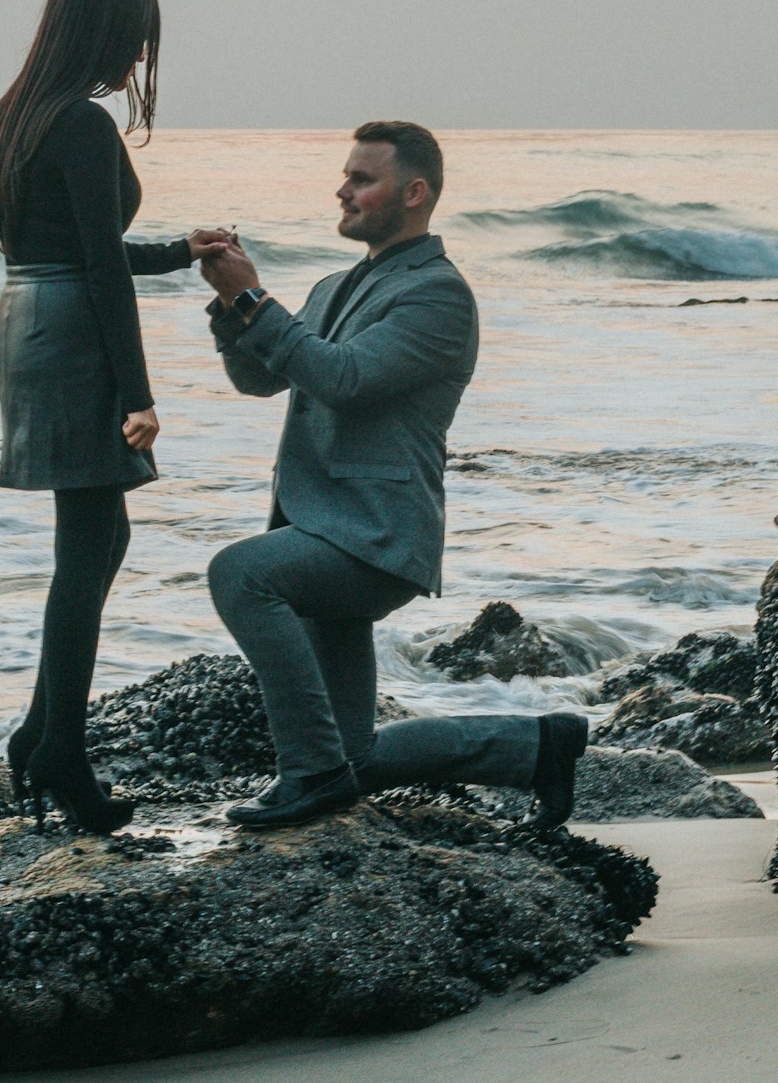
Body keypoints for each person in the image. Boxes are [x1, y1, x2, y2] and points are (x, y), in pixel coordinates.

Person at [202, 122, 588, 832]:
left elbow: (344, 379)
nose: (342, 190)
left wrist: (257, 302)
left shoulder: (437, 295)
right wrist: (232, 306)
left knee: (240, 574)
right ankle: (537, 747)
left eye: (362, 179)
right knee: (355, 758)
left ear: (414, 194)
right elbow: (258, 377)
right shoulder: (332, 286)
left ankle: (308, 776)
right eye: (345, 175)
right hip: (322, 526)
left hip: (377, 537)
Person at [0, 0, 228, 836]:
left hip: (27, 320)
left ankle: (45, 734)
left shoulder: (18, 115)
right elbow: (97, 274)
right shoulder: (80, 124)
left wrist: (173, 253)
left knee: (92, 537)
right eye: (135, 42)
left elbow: (76, 246)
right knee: (91, 544)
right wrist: (139, 394)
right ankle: (59, 754)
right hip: (74, 332)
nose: (138, 63)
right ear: (106, 35)